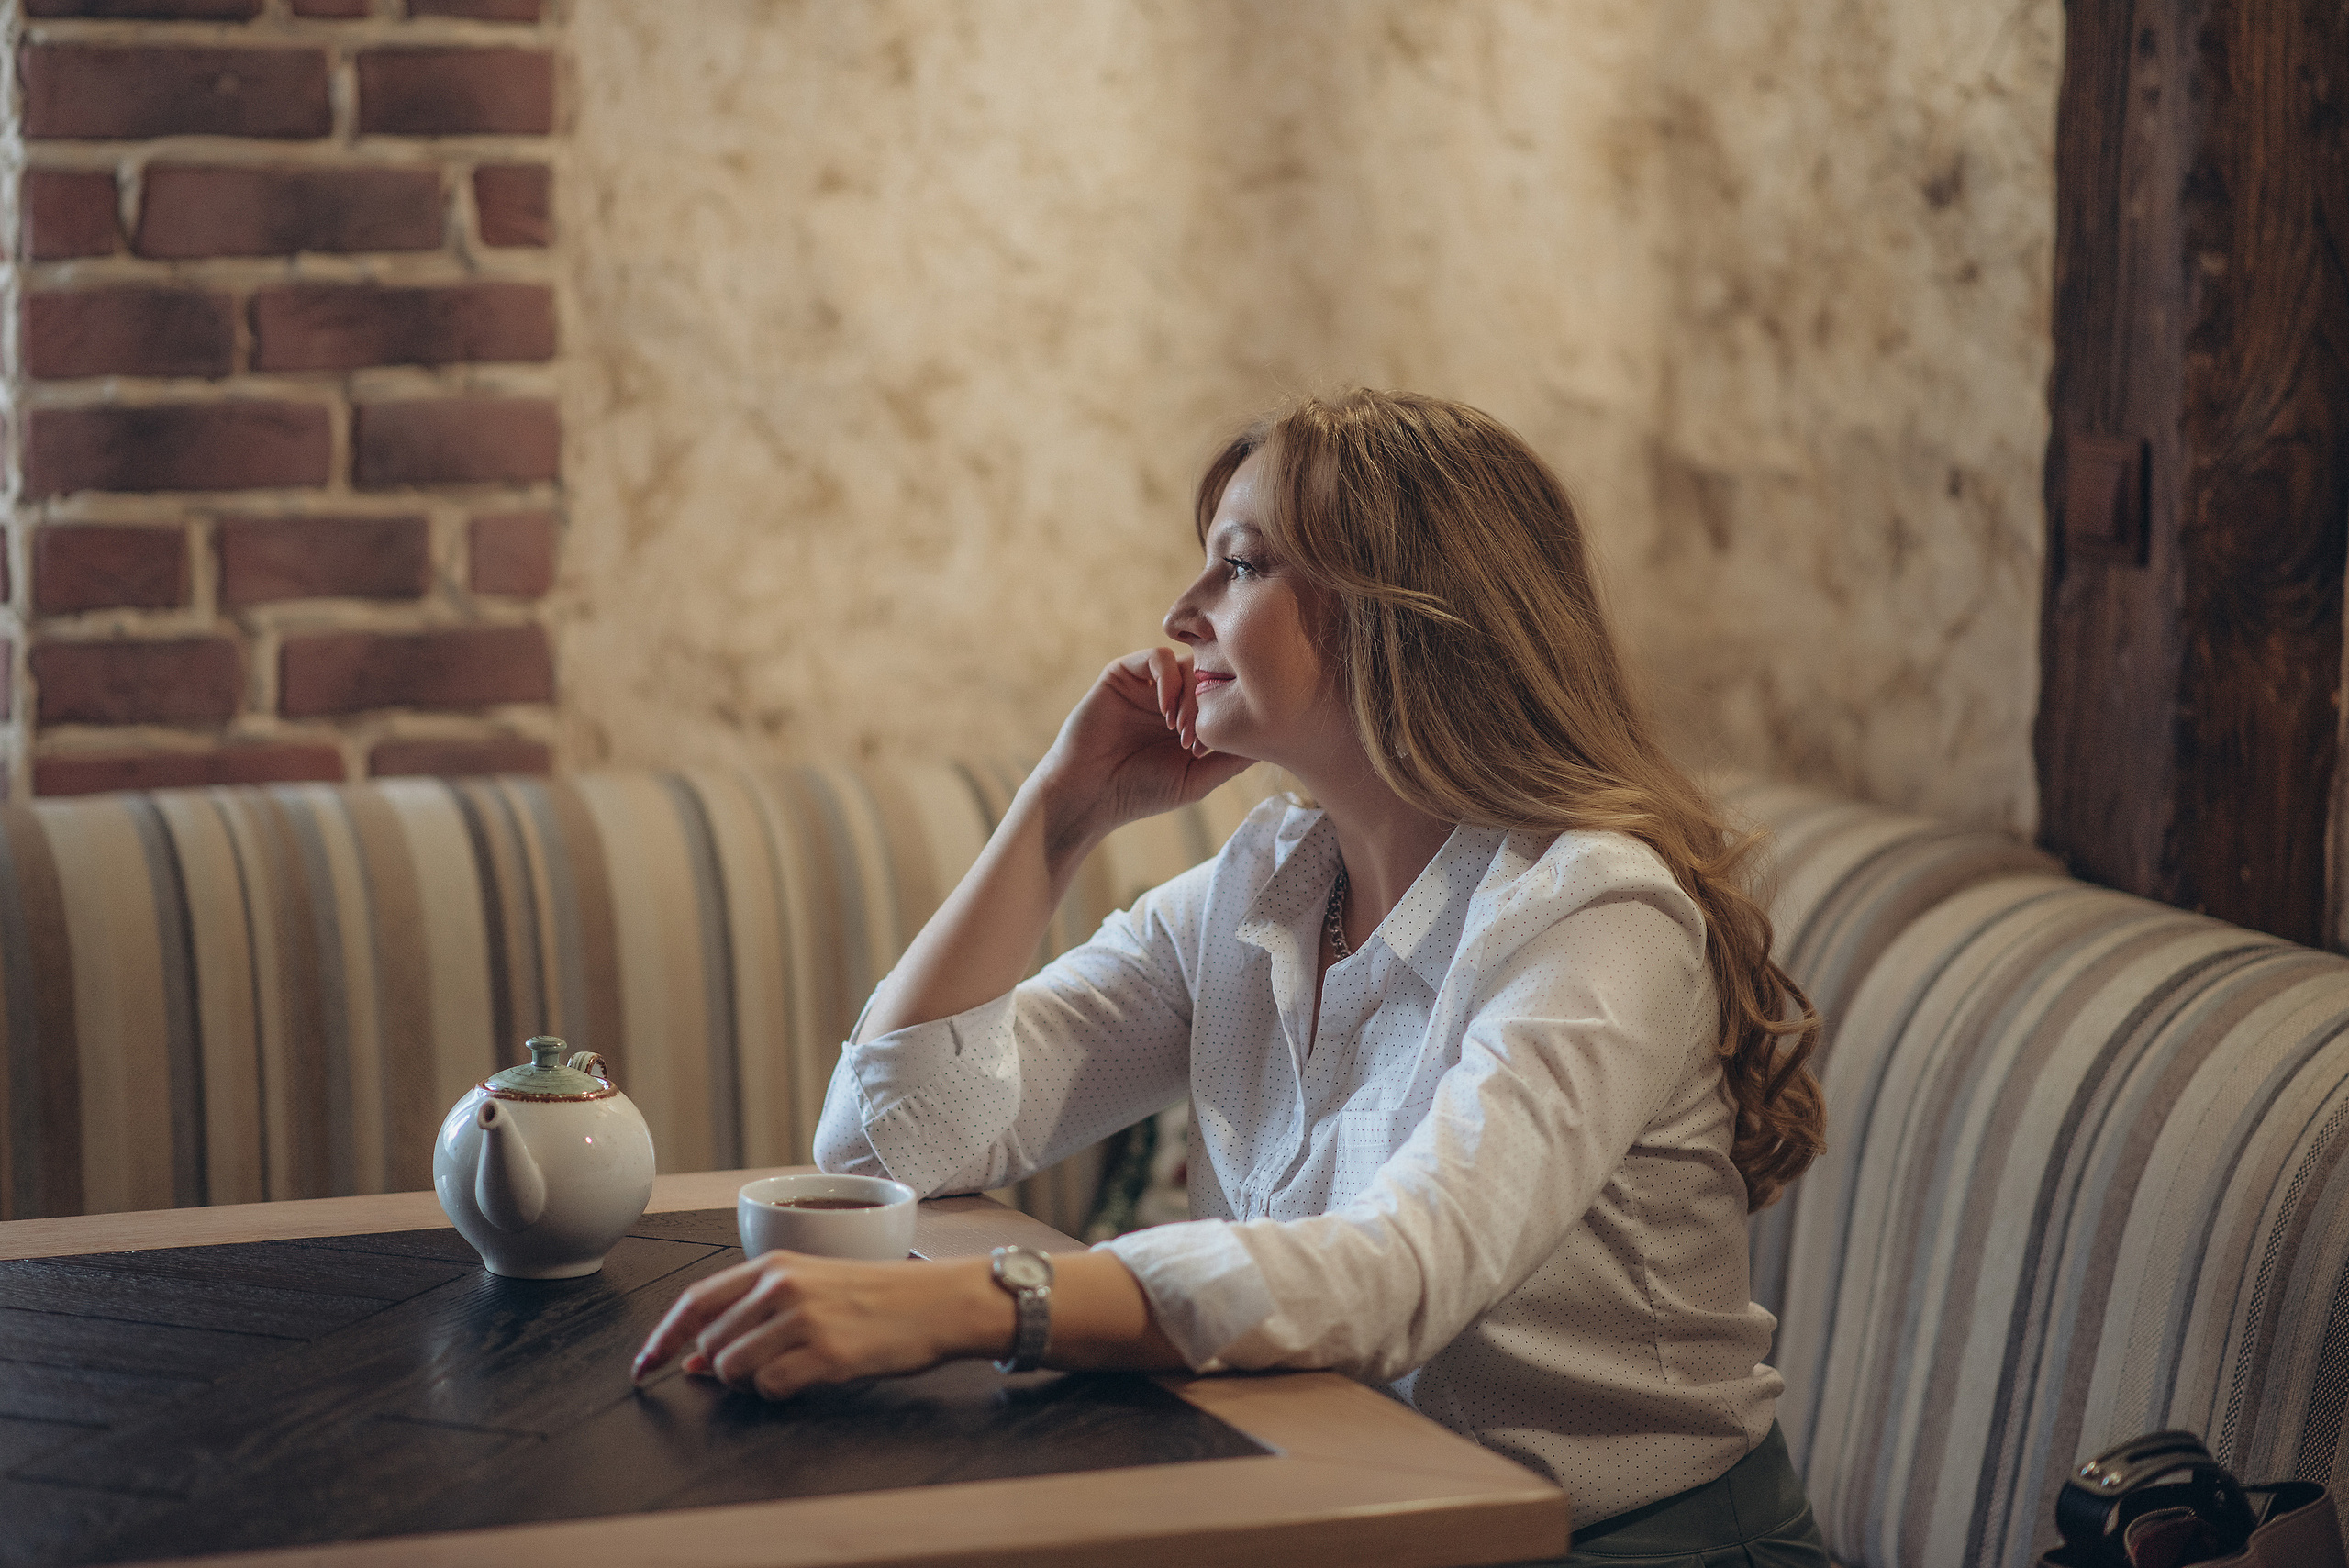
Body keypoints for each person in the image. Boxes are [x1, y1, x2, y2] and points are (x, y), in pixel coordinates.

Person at [633, 388, 1831, 1567]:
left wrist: (978, 1304)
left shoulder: (1592, 909)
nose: (1182, 610)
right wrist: (1058, 813)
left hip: (1637, 1539)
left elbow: (1401, 1269)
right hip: (1349, 1511)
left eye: (1242, 566)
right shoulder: (1266, 885)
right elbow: (889, 1149)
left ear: (1400, 614)